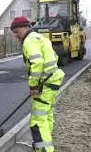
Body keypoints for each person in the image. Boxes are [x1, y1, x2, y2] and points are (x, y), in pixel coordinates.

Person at [10, 16, 65, 152]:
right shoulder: (40, 38)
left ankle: (44, 149)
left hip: (45, 84)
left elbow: (38, 63)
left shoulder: (29, 41)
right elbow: (54, 57)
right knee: (47, 114)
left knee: (37, 120)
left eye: (16, 32)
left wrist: (34, 86)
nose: (16, 35)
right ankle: (45, 143)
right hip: (54, 80)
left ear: (25, 27)